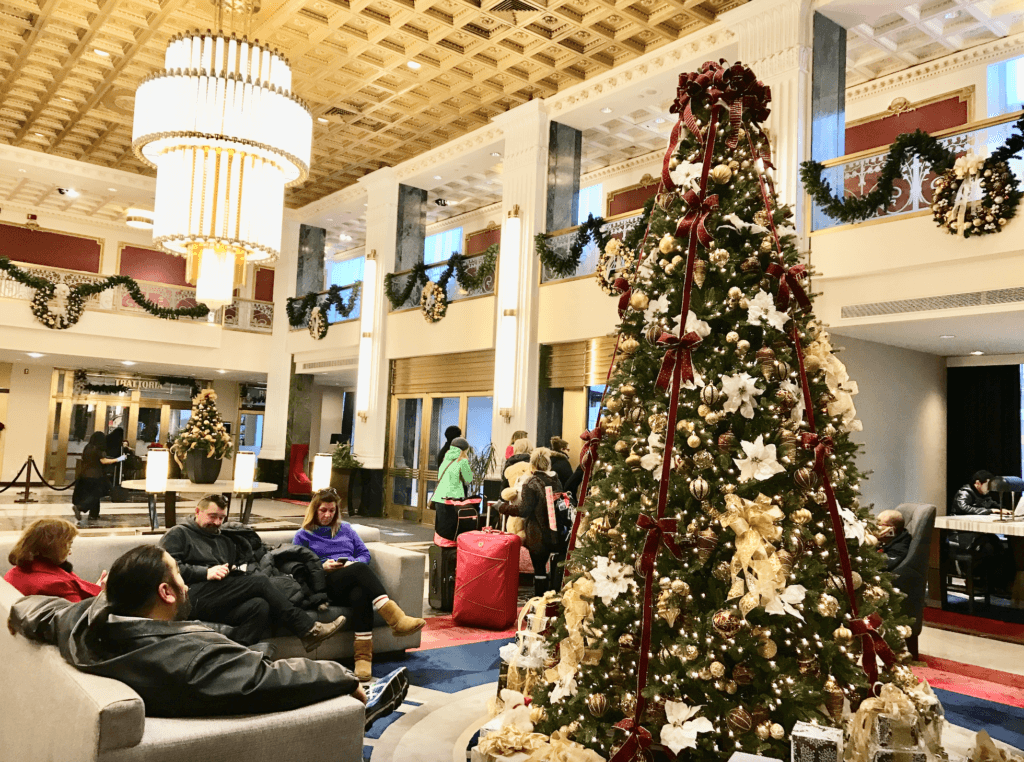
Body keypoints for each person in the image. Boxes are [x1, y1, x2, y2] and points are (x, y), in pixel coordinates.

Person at [6, 545, 410, 727]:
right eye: (179, 577)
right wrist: (339, 678)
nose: (185, 584)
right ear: (165, 593)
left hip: (184, 660)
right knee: (260, 631)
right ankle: (359, 708)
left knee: (256, 606)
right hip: (219, 716)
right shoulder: (186, 659)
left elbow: (38, 610)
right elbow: (263, 681)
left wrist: (17, 612)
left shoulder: (82, 624)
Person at [159, 494, 345, 650]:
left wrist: (233, 571)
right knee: (259, 581)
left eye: (221, 518)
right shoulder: (179, 534)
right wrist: (205, 572)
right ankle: (307, 629)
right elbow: (166, 568)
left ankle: (234, 654)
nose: (217, 522)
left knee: (259, 606)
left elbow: (231, 567)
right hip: (187, 596)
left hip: (217, 595)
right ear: (197, 512)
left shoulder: (222, 539)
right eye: (212, 516)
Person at [294, 489, 426, 682]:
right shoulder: (303, 535)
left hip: (351, 579)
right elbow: (299, 568)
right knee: (360, 571)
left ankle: (363, 660)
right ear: (314, 510)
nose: (328, 515)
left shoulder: (345, 529)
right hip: (325, 584)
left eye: (332, 510)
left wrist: (351, 564)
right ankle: (396, 620)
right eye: (323, 510)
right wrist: (322, 566)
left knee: (360, 593)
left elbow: (364, 554)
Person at [498, 448, 563, 595]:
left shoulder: (531, 483)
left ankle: (539, 601)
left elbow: (524, 510)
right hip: (555, 531)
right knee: (550, 569)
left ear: (531, 465)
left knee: (539, 570)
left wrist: (502, 507)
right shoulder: (556, 481)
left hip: (537, 534)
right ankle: (550, 600)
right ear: (548, 465)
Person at [4, 518, 106, 601]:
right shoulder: (55, 585)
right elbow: (80, 619)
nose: (70, 552)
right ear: (53, 547)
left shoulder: (14, 573)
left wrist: (97, 589)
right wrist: (104, 596)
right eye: (68, 545)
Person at [949, 470, 1015, 592]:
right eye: (988, 485)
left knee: (1000, 547)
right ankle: (978, 581)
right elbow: (964, 508)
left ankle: (995, 584)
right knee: (988, 548)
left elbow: (993, 505)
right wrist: (992, 511)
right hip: (962, 534)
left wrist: (1002, 509)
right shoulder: (964, 492)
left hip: (977, 533)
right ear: (978, 483)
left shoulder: (984, 496)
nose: (990, 488)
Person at [72, 431, 121, 525]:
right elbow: (104, 461)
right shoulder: (98, 449)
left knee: (93, 494)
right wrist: (118, 459)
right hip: (96, 475)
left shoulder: (87, 447)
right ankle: (81, 507)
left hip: (85, 475)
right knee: (96, 494)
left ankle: (94, 514)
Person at [431, 437, 475, 543]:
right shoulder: (462, 461)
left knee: (440, 528)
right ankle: (449, 552)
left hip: (438, 498)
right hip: (451, 499)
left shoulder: (445, 459)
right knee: (450, 530)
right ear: (464, 450)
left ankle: (438, 552)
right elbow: (469, 479)